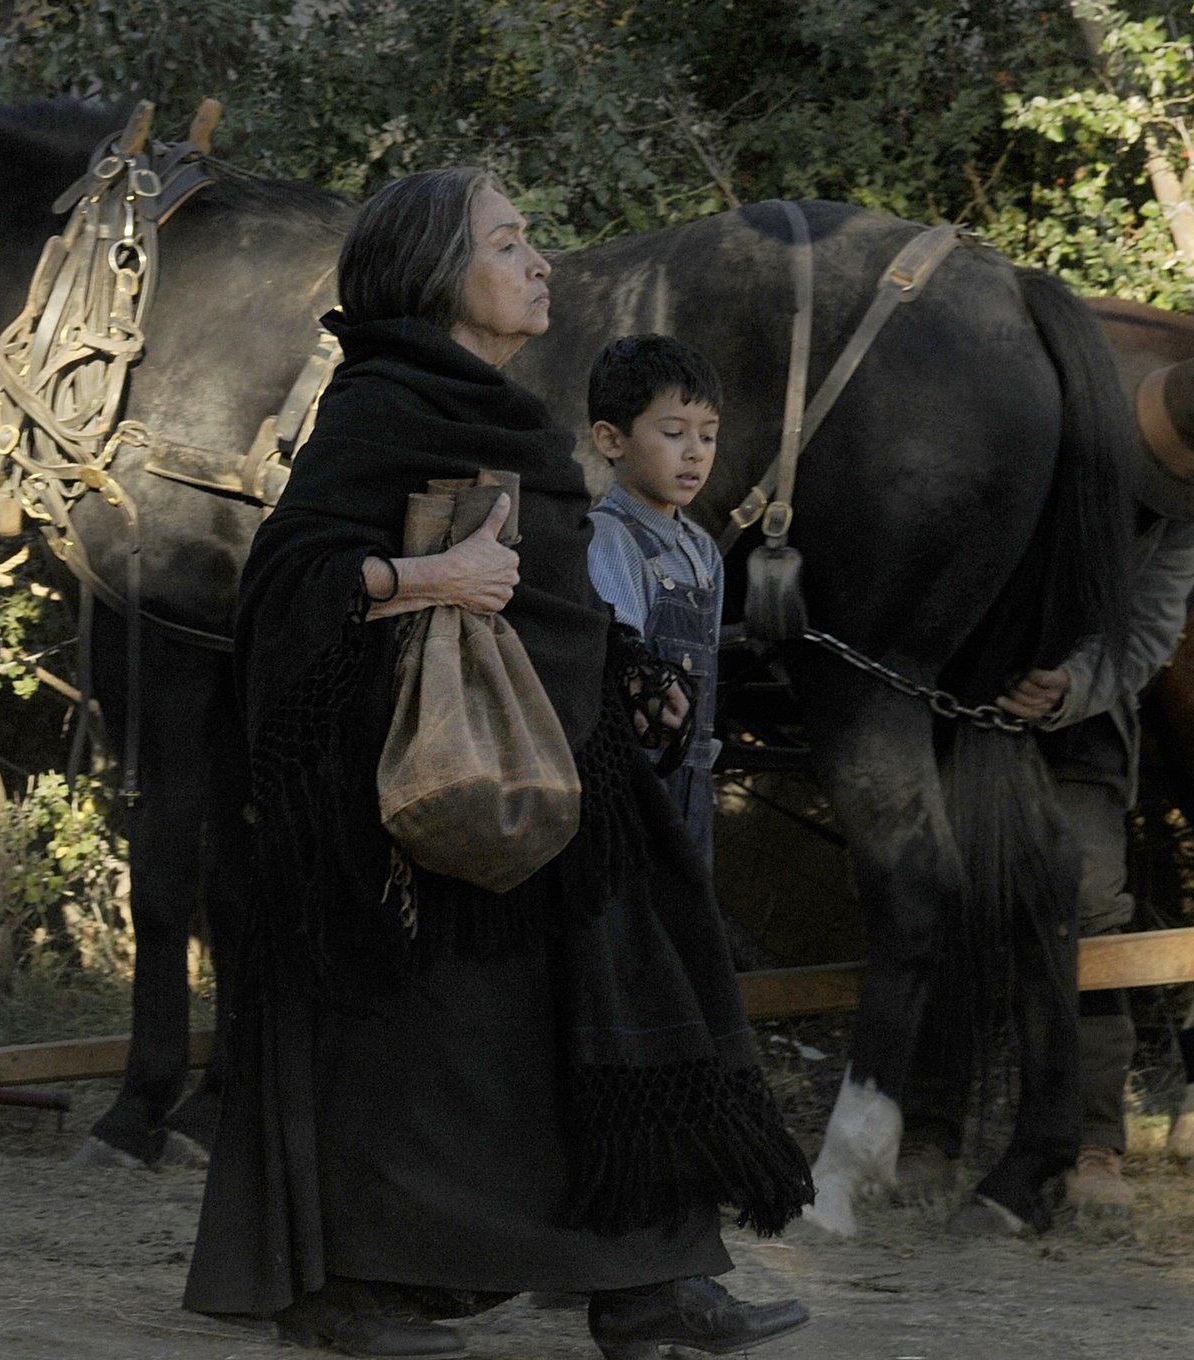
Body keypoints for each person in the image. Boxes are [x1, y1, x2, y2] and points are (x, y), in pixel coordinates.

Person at [183, 167, 814, 1360]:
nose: (538, 264)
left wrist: (623, 664)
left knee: (644, 978)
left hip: (564, 764)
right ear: (437, 276)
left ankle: (651, 1283)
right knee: (429, 1052)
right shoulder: (380, 407)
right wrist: (419, 579)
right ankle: (354, 1292)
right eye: (510, 243)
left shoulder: (494, 405)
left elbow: (546, 588)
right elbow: (281, 591)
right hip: (423, 798)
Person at [892, 350, 1194, 1217]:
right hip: (964, 684)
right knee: (949, 889)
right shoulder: (1038, 426)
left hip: (1083, 712)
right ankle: (928, 1131)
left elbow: (1152, 629)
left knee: (1091, 909)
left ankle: (1094, 1147)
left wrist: (1070, 689)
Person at [585, 335, 726, 870]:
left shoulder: (702, 552)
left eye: (708, 436)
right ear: (611, 439)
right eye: (673, 433)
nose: (695, 452)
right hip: (630, 788)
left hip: (693, 783)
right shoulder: (609, 538)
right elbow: (622, 668)